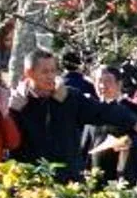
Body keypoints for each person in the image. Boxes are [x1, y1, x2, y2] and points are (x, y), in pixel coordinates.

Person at [10, 48, 89, 178]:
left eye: (53, 71)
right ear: (29, 73)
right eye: (45, 72)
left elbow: (102, 112)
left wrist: (133, 121)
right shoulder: (17, 103)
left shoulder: (70, 97)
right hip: (30, 180)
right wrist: (10, 112)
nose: (51, 76)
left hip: (68, 180)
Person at [81, 62, 137, 186]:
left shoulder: (133, 110)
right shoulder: (91, 110)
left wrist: (130, 142)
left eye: (107, 81)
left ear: (119, 84)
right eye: (98, 81)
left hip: (123, 177)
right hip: (93, 177)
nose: (102, 85)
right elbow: (86, 144)